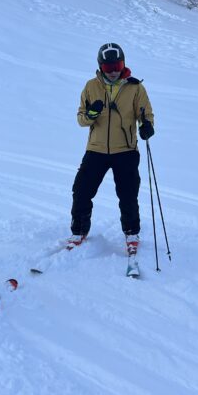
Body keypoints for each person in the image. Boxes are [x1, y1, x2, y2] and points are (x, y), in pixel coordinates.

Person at [69, 43, 155, 258]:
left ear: (124, 64)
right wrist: (91, 113)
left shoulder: (135, 88)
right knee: (81, 190)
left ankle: (131, 234)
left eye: (117, 65)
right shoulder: (90, 86)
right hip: (96, 149)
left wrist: (147, 126)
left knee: (128, 195)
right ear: (101, 67)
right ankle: (79, 231)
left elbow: (146, 114)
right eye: (108, 68)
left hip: (125, 149)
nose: (114, 71)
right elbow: (81, 119)